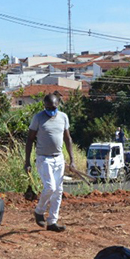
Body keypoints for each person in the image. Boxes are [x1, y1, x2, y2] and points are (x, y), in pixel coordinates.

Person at [24, 93, 76, 232]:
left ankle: (52, 222)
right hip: (43, 158)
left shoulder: (63, 117)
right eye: (48, 108)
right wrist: (27, 161)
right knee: (50, 187)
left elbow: (67, 138)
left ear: (58, 104)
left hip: (58, 158)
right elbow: (29, 139)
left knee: (58, 191)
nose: (51, 110)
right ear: (44, 106)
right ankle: (39, 211)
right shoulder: (38, 118)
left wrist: (72, 160)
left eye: (53, 107)